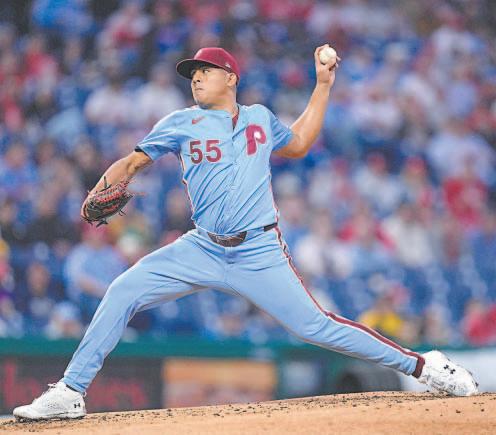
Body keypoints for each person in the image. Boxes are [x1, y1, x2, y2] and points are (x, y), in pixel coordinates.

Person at [14, 46, 478, 421]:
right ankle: (71, 390)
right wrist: (97, 190)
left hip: (258, 250)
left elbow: (299, 143)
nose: (196, 78)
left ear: (231, 77)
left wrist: (322, 86)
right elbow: (132, 163)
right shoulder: (180, 122)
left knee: (315, 325)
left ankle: (425, 365)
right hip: (201, 246)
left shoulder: (259, 117)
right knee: (123, 290)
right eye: (192, 73)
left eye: (205, 71)